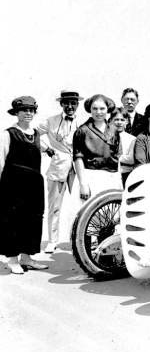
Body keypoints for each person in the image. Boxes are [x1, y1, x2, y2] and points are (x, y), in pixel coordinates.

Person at [0, 96, 49, 274]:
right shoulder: (8, 133)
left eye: (31, 110)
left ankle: (27, 258)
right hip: (13, 183)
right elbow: (0, 161)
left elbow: (41, 147)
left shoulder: (36, 133)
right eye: (24, 110)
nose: (28, 113)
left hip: (34, 183)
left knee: (33, 219)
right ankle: (12, 259)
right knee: (13, 220)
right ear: (16, 113)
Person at [38, 90, 85, 253]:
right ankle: (52, 241)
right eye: (67, 103)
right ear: (61, 104)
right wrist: (46, 148)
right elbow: (32, 134)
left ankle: (81, 241)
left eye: (73, 103)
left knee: (83, 203)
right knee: (54, 206)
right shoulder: (51, 121)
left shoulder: (85, 122)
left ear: (77, 104)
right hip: (58, 167)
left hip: (80, 168)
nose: (70, 106)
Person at [73, 94, 122, 201]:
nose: (98, 112)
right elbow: (78, 158)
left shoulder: (114, 130)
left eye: (102, 108)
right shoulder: (82, 131)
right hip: (90, 178)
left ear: (107, 109)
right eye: (95, 109)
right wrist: (83, 184)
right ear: (90, 110)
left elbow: (117, 156)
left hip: (111, 179)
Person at [109, 107, 136, 186]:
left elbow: (131, 159)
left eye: (122, 120)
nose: (119, 122)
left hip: (126, 174)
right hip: (111, 174)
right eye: (116, 119)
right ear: (111, 121)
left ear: (127, 121)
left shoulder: (132, 139)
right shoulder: (106, 138)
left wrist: (113, 157)